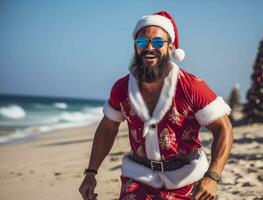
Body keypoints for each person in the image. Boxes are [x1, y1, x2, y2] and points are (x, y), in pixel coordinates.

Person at [79, 11, 233, 200]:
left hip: (187, 179)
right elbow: (107, 128)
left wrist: (212, 176)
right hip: (138, 177)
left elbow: (223, 128)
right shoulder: (122, 88)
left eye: (158, 42)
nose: (149, 48)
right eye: (142, 42)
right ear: (135, 47)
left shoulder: (191, 87)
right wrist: (91, 173)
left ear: (170, 48)